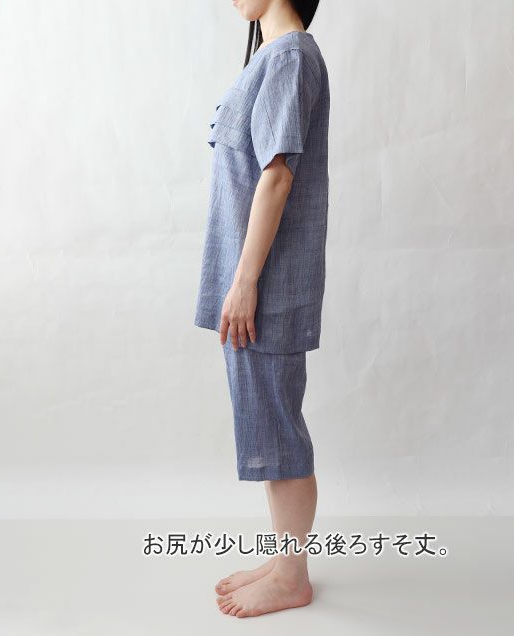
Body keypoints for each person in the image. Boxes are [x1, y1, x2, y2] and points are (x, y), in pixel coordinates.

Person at [194, 0, 329, 618]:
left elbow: (276, 176)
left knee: (277, 429)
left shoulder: (291, 57)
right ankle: (283, 562)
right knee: (268, 425)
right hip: (254, 283)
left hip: (267, 286)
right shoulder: (274, 57)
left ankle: (293, 577)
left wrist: (246, 281)